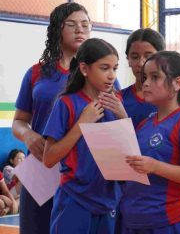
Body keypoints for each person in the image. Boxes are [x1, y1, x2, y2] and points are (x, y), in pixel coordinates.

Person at [12, 2, 92, 234]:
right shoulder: (37, 73)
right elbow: (19, 121)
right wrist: (28, 136)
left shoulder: (100, 74)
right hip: (39, 171)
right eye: (72, 24)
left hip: (81, 175)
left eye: (85, 25)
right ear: (57, 29)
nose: (80, 30)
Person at [119, 51, 180, 233]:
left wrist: (154, 166)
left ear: (178, 83)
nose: (146, 83)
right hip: (135, 221)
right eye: (145, 77)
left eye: (155, 77)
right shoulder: (145, 124)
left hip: (173, 222)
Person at [42, 38, 126, 234]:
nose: (112, 75)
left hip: (110, 200)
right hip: (75, 199)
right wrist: (81, 125)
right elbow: (49, 158)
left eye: (115, 68)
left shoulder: (118, 102)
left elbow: (130, 157)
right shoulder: (66, 104)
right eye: (104, 68)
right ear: (85, 69)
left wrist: (124, 118)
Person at [120, 28, 166, 128]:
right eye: (135, 57)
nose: (141, 63)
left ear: (162, 59)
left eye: (148, 57)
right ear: (128, 59)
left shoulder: (172, 99)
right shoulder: (118, 99)